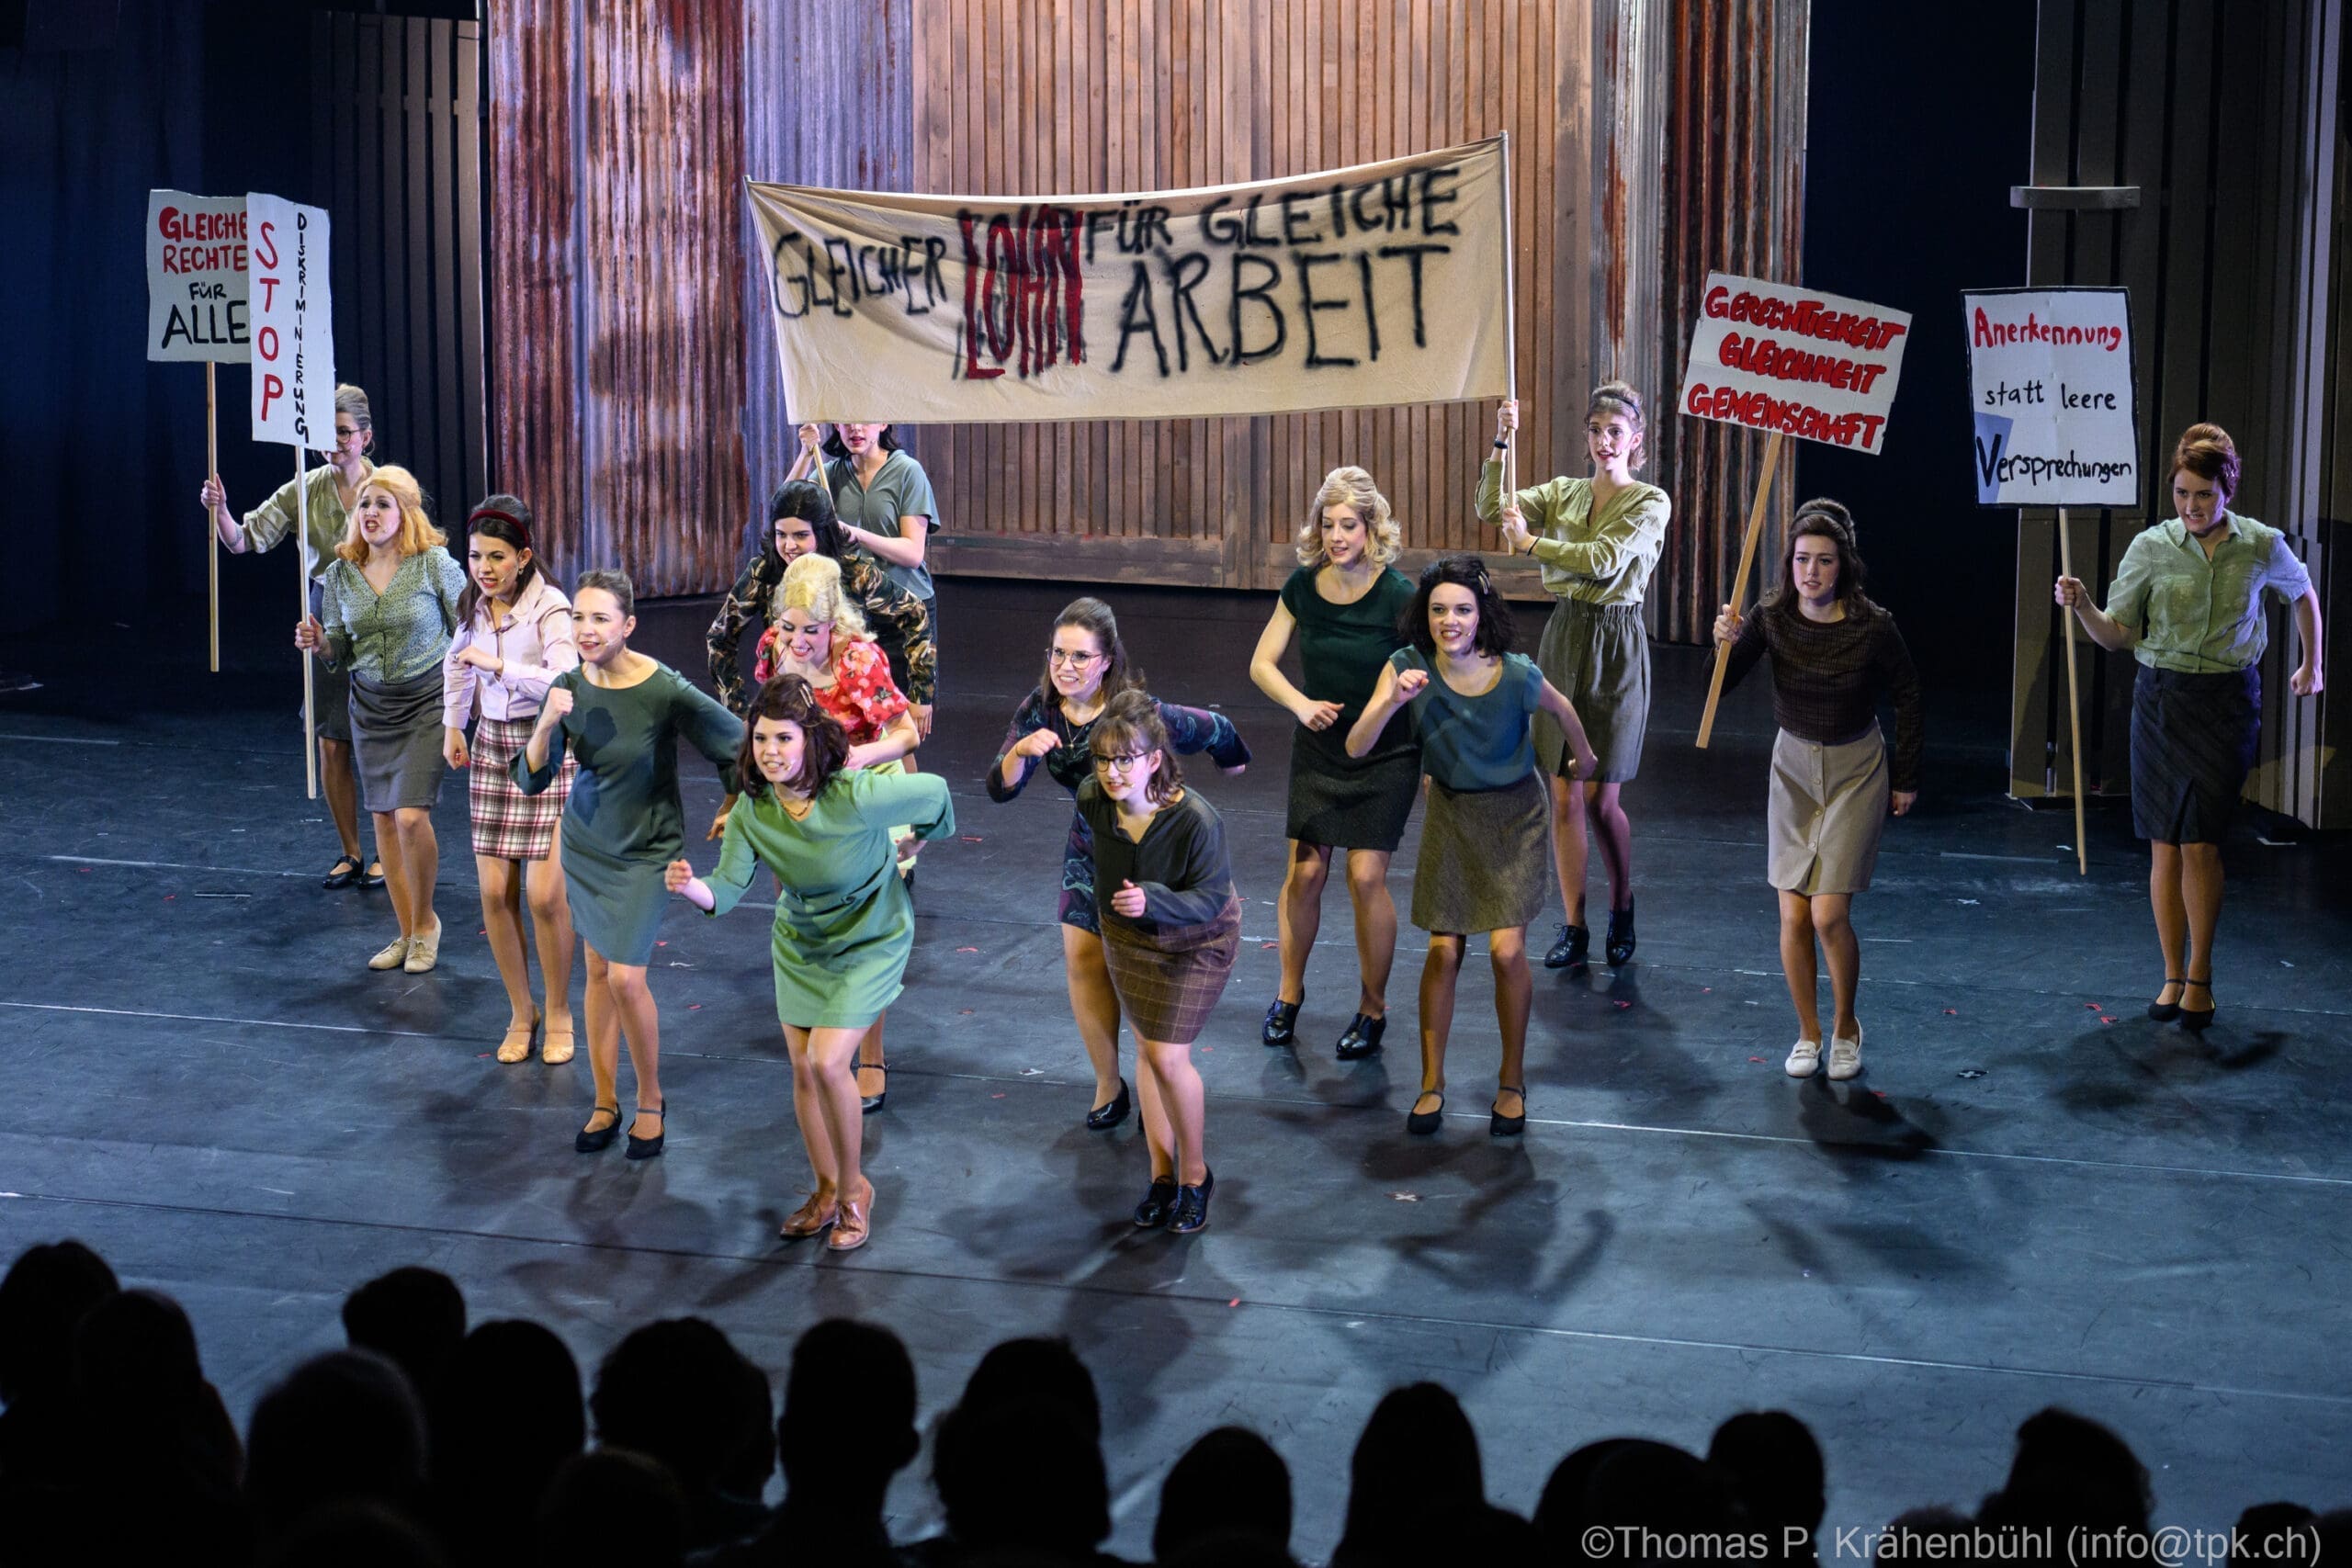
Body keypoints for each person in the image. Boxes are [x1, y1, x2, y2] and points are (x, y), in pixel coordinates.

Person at [668, 676, 956, 1252]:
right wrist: (693, 888)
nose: (770, 752)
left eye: (784, 739)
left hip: (872, 933)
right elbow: (727, 888)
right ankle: (826, 1191)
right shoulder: (753, 811)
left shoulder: (854, 793)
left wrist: (920, 841)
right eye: (761, 740)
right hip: (802, 943)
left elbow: (938, 795)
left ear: (809, 742)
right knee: (803, 1069)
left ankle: (855, 1190)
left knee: (827, 1064)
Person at [2055, 423, 2323, 1031]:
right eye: (2181, 493)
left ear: (2226, 489)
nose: (2192, 506)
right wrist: (2085, 606)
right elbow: (2118, 634)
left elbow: (2302, 593)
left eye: (2203, 493)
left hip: (2227, 701)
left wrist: (2314, 661)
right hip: (2161, 701)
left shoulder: (2259, 543)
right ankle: (2171, 972)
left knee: (2201, 840)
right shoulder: (2151, 547)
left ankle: (2201, 974)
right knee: (2164, 842)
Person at [1348, 557, 1595, 1137]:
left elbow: (1562, 710)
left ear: (1481, 614)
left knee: (1507, 952)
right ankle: (1432, 1082)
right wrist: (1391, 701)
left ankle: (1512, 1080)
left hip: (1515, 817)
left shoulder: (1514, 674)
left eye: (1462, 610)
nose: (1449, 621)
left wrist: (1581, 760)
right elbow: (1358, 746)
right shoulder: (1406, 666)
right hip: (1452, 815)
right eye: (1438, 610)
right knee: (1444, 951)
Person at [987, 598, 1250, 1128]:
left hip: (1151, 843)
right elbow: (999, 789)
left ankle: (1159, 1066)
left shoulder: (1134, 712)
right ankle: (1109, 1083)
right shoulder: (1040, 708)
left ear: (1107, 660)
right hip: (1092, 843)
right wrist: (1021, 753)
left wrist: (1234, 760)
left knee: (1146, 959)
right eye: (1059, 653)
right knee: (1082, 957)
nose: (1066, 666)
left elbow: (1212, 726)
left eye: (1081, 657)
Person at [514, 570, 744, 1158]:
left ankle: (650, 1098)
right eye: (580, 618)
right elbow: (532, 778)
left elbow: (735, 742)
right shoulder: (565, 686)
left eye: (601, 618)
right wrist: (544, 724)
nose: (587, 630)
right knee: (595, 974)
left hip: (647, 850)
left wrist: (733, 802)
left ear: (628, 625)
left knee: (624, 977)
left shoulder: (662, 688)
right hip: (587, 845)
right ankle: (604, 1101)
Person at [1713, 500, 1923, 1080]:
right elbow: (1723, 686)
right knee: (1792, 916)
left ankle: (1846, 1026)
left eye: (1824, 561)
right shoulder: (1772, 615)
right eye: (1803, 559)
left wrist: (1906, 776)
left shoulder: (1872, 624)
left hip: (1856, 769)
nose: (1812, 572)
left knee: (1829, 914)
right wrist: (1724, 642)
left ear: (1844, 566)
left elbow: (1909, 693)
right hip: (1793, 771)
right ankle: (1808, 1034)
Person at [1479, 384, 1672, 972]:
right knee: (1563, 795)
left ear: (1634, 440)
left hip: (1615, 643)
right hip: (1566, 635)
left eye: (1616, 432)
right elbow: (1494, 508)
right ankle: (1575, 924)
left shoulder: (1650, 501)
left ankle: (1621, 905)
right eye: (1595, 430)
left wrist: (1534, 543)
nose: (1604, 441)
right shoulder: (1564, 492)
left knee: (1601, 798)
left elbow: (1605, 559)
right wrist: (1501, 442)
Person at [1248, 467, 1420, 1061]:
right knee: (1306, 874)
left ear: (1372, 527)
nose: (1337, 534)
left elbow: (1421, 672)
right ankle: (1288, 995)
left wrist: (1382, 710)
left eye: (1349, 524)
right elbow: (1263, 663)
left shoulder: (1399, 594)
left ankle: (1373, 1008)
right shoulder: (1302, 587)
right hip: (1321, 747)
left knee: (1366, 876)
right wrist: (1301, 704)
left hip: (1385, 748)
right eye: (1328, 523)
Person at [742, 553, 924, 1113]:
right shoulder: (777, 649)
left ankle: (870, 1053)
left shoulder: (858, 661)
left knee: (861, 932)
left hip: (858, 794)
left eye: (811, 630)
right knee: (801, 914)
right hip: (801, 801)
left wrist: (850, 758)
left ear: (835, 622)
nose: (798, 641)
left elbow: (907, 734)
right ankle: (819, 1040)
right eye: (790, 627)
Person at [1076, 689, 1243, 1235]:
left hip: (1198, 940)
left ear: (1153, 758)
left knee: (1169, 1056)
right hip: (1128, 938)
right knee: (1148, 1050)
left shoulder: (1197, 819)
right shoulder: (1091, 799)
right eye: (1103, 760)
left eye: (1125, 760)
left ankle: (1196, 1176)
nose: (1112, 772)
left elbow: (1213, 899)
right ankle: (1162, 1175)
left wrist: (1155, 900)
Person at [202, 383, 381, 889]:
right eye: (329, 433)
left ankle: (389, 847)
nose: (336, 442)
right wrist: (220, 509)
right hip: (325, 615)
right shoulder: (305, 488)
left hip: (381, 616)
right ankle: (350, 851)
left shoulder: (389, 487)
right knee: (331, 740)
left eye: (345, 433)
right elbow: (242, 540)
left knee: (379, 741)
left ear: (365, 437)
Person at [294, 465, 465, 974]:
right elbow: (341, 649)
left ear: (405, 513)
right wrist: (320, 642)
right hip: (369, 705)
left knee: (411, 815)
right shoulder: (342, 572)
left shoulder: (434, 563)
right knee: (385, 822)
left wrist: (466, 702)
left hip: (426, 700)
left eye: (382, 504)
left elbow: (468, 632)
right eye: (365, 505)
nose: (370, 513)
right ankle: (407, 930)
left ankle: (428, 921)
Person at [441, 497, 579, 1064]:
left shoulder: (551, 606)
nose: (485, 568)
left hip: (545, 743)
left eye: (497, 557)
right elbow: (457, 662)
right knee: (495, 893)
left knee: (545, 896)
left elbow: (564, 678)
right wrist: (454, 723)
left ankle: (561, 1010)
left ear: (523, 557)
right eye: (476, 556)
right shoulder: (473, 601)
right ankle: (522, 1011)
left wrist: (500, 668)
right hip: (493, 745)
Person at [707, 478, 935, 722]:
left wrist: (921, 695)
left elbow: (915, 613)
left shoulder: (853, 572)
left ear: (822, 532)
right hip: (792, 710)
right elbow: (720, 638)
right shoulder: (763, 573)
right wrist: (737, 710)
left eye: (801, 535)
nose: (789, 545)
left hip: (855, 711)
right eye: (780, 534)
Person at [788, 421, 942, 750]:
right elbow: (785, 509)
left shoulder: (906, 471)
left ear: (883, 422)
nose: (855, 428)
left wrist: (856, 535)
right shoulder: (828, 472)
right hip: (853, 613)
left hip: (904, 614)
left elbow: (913, 553)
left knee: (903, 726)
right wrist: (804, 453)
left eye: (865, 419)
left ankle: (909, 800)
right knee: (853, 719)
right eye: (846, 421)